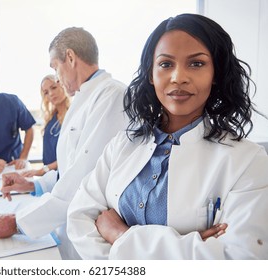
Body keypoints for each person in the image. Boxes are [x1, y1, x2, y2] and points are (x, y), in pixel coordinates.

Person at [67, 13, 268, 259]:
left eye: (196, 63)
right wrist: (187, 248)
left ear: (215, 74)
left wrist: (120, 237)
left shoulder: (248, 161)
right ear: (151, 74)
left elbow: (241, 258)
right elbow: (79, 217)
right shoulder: (122, 145)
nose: (178, 77)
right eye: (165, 64)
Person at [0, 27, 128, 259]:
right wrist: (32, 184)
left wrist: (17, 222)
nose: (56, 77)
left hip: (95, 231)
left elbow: (83, 179)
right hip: (71, 222)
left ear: (70, 57)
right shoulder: (85, 97)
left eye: (55, 67)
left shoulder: (111, 96)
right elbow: (69, 168)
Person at [22, 74, 70, 177]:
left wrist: (43, 170)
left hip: (63, 176)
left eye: (54, 88)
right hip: (50, 176)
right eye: (46, 92)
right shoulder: (51, 118)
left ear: (62, 85)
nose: (51, 94)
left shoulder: (72, 116)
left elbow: (70, 155)